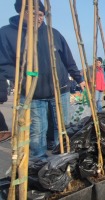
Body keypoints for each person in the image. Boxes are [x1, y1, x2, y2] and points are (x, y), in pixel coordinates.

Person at [0, 0, 85, 159]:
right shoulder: (8, 33)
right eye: (33, 14)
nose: (38, 18)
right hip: (33, 95)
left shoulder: (53, 33)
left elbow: (68, 59)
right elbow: (3, 64)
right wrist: (23, 82)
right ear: (21, 12)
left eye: (41, 15)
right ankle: (39, 162)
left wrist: (79, 78)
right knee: (37, 132)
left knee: (62, 128)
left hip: (61, 91)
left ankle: (62, 159)